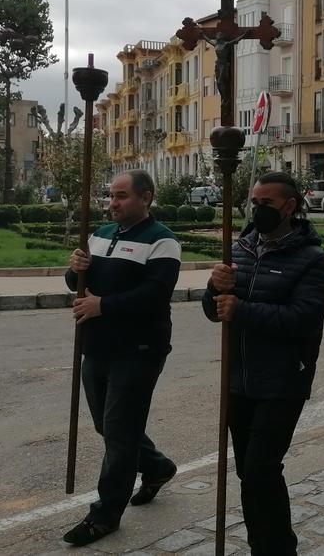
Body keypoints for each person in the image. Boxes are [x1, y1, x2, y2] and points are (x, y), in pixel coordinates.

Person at [202, 172, 324, 553]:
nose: (257, 210)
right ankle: (264, 542)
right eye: (254, 203)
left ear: (289, 207)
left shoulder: (311, 260)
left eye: (267, 204)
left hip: (282, 382)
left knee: (261, 468)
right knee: (249, 473)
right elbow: (215, 312)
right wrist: (215, 288)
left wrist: (242, 310)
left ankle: (277, 548)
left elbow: (303, 319)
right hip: (239, 380)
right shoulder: (240, 248)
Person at [62, 171, 181, 547]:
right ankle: (158, 466)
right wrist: (75, 268)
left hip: (139, 350)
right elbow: (76, 282)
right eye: (111, 196)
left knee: (118, 432)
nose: (113, 203)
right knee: (108, 426)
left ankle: (105, 515)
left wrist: (103, 305)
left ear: (146, 197)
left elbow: (155, 294)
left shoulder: (162, 241)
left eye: (122, 196)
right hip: (96, 347)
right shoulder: (100, 234)